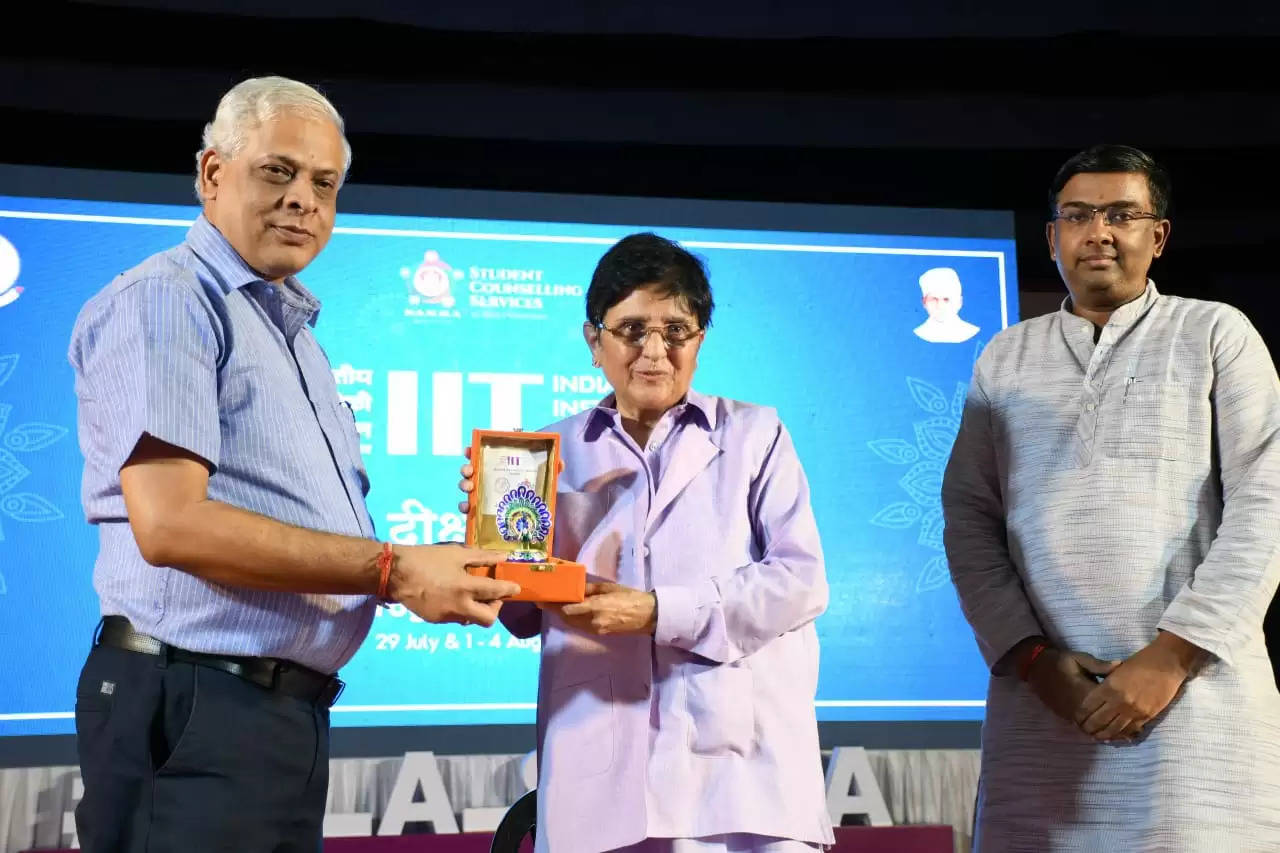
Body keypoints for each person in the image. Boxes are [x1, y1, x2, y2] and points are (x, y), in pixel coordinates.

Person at [66, 76, 516, 852]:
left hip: (276, 717)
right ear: (212, 175)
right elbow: (172, 524)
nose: (303, 199)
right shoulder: (170, 299)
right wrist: (397, 570)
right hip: (194, 705)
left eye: (324, 183)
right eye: (277, 171)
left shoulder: (291, 330)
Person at [941, 144, 1280, 850]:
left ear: (1157, 237)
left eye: (1122, 214)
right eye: (1079, 215)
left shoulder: (1216, 333)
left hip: (1196, 705)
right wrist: (1033, 660)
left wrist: (1171, 657)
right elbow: (969, 516)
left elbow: (1267, 501)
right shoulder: (1005, 355)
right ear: (1052, 237)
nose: (1100, 231)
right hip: (1042, 710)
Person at [459, 233, 834, 853]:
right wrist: (491, 534)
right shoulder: (545, 451)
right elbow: (523, 612)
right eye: (632, 329)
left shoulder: (756, 433)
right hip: (599, 785)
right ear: (593, 341)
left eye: (676, 331)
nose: (654, 351)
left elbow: (799, 581)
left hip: (743, 784)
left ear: (700, 340)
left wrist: (659, 611)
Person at [913, 266, 979, 343]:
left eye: (946, 299)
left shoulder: (971, 332)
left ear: (959, 302)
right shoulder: (920, 333)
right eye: (934, 299)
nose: (940, 306)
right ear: (924, 303)